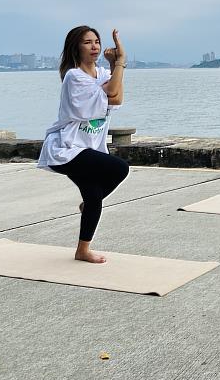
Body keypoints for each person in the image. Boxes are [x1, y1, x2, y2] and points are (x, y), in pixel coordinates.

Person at [38, 26, 129, 263]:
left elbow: (117, 97)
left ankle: (82, 250)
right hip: (66, 148)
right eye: (87, 42)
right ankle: (88, 209)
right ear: (76, 47)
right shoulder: (74, 76)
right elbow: (112, 90)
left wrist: (113, 67)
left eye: (97, 41)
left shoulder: (100, 72)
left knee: (93, 196)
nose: (95, 46)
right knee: (119, 168)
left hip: (87, 148)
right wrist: (121, 61)